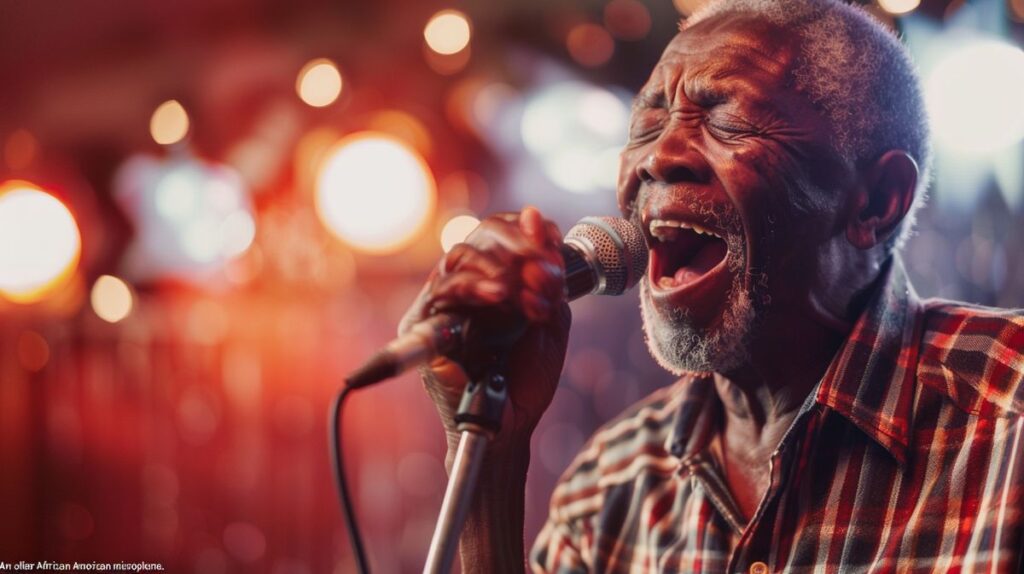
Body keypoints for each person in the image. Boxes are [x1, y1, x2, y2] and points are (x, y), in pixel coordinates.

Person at [399, 0, 1024, 571]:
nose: (657, 155)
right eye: (647, 124)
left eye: (727, 120)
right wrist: (489, 457)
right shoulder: (607, 490)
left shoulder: (1008, 419)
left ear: (876, 203)